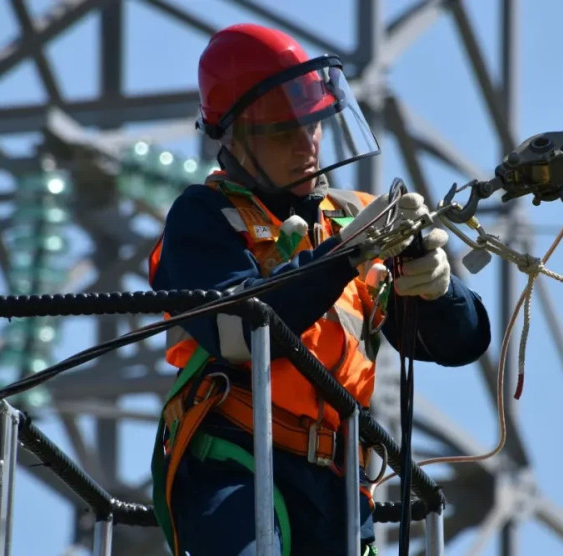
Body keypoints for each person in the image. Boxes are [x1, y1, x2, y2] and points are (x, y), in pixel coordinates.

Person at [148, 23, 491, 556]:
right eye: (282, 132)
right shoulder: (205, 216)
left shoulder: (354, 216)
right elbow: (237, 332)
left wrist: (438, 289)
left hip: (339, 486)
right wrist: (342, 257)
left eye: (312, 125)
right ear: (234, 139)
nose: (305, 145)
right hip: (238, 460)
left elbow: (458, 343)